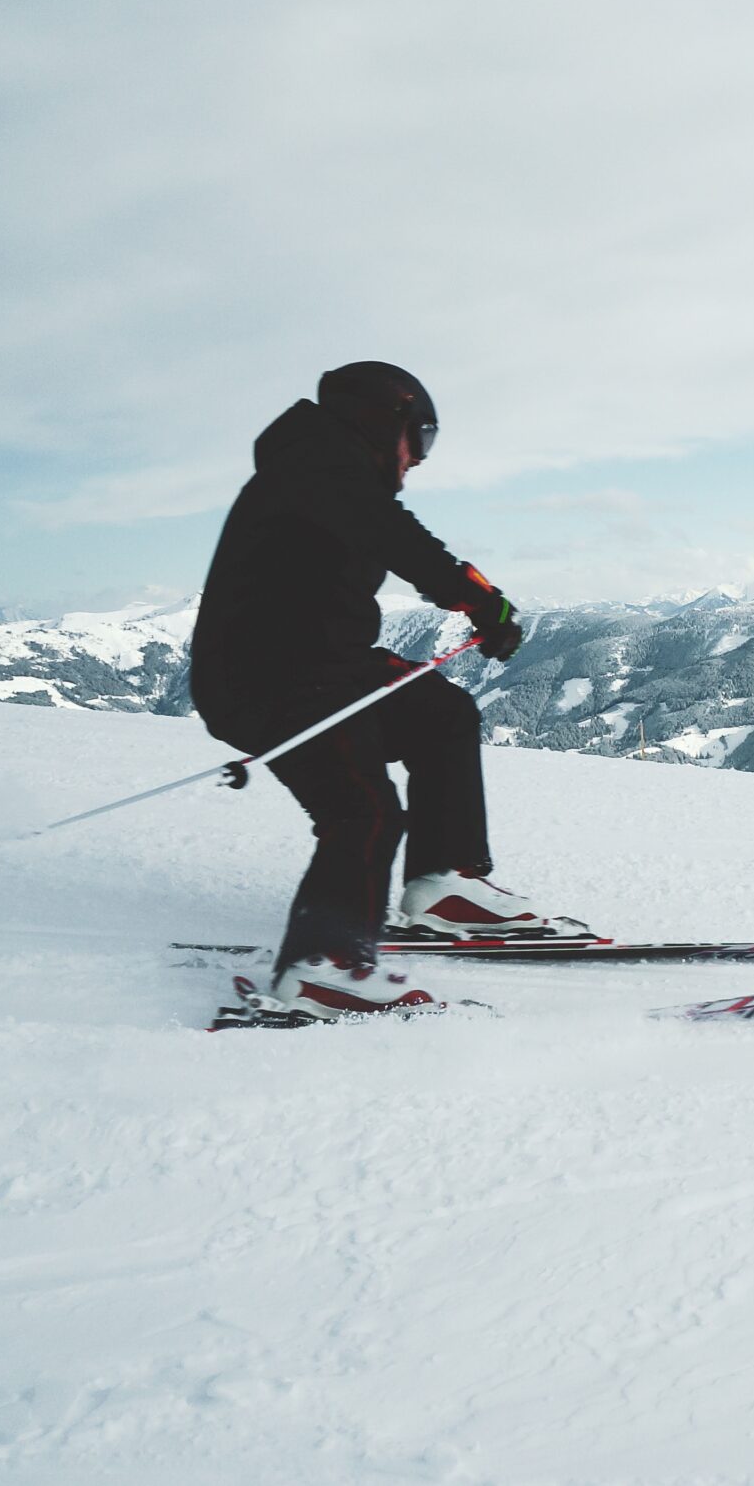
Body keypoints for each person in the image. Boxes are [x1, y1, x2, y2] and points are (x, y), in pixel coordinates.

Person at [188, 362, 579, 1020]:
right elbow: (391, 535)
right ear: (380, 419)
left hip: (315, 664)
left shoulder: (328, 475)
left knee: (442, 712)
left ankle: (446, 884)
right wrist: (476, 596)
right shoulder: (316, 468)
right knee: (362, 808)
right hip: (265, 680)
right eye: (419, 437)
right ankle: (325, 969)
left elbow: (331, 584)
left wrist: (379, 659)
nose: (419, 458)